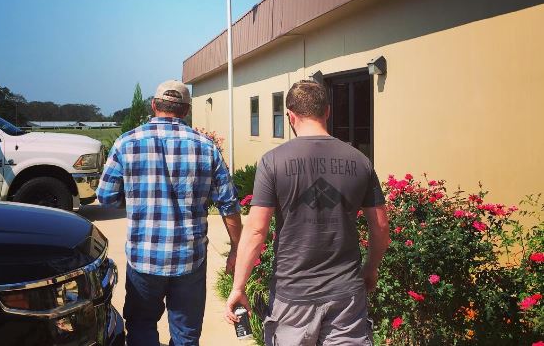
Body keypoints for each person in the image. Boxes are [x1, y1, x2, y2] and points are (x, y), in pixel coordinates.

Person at [225, 79, 389, 345]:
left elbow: (256, 231)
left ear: (290, 116)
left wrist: (238, 287)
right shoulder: (360, 161)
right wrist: (371, 269)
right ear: (327, 111)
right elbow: (380, 226)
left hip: (292, 298)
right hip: (346, 296)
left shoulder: (273, 161)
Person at [98, 80, 242, 346]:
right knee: (186, 333)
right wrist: (236, 248)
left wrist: (139, 197)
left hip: (144, 257)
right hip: (189, 258)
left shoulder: (125, 143)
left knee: (141, 327)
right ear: (186, 110)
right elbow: (229, 203)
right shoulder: (206, 146)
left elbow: (106, 197)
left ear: (154, 106)